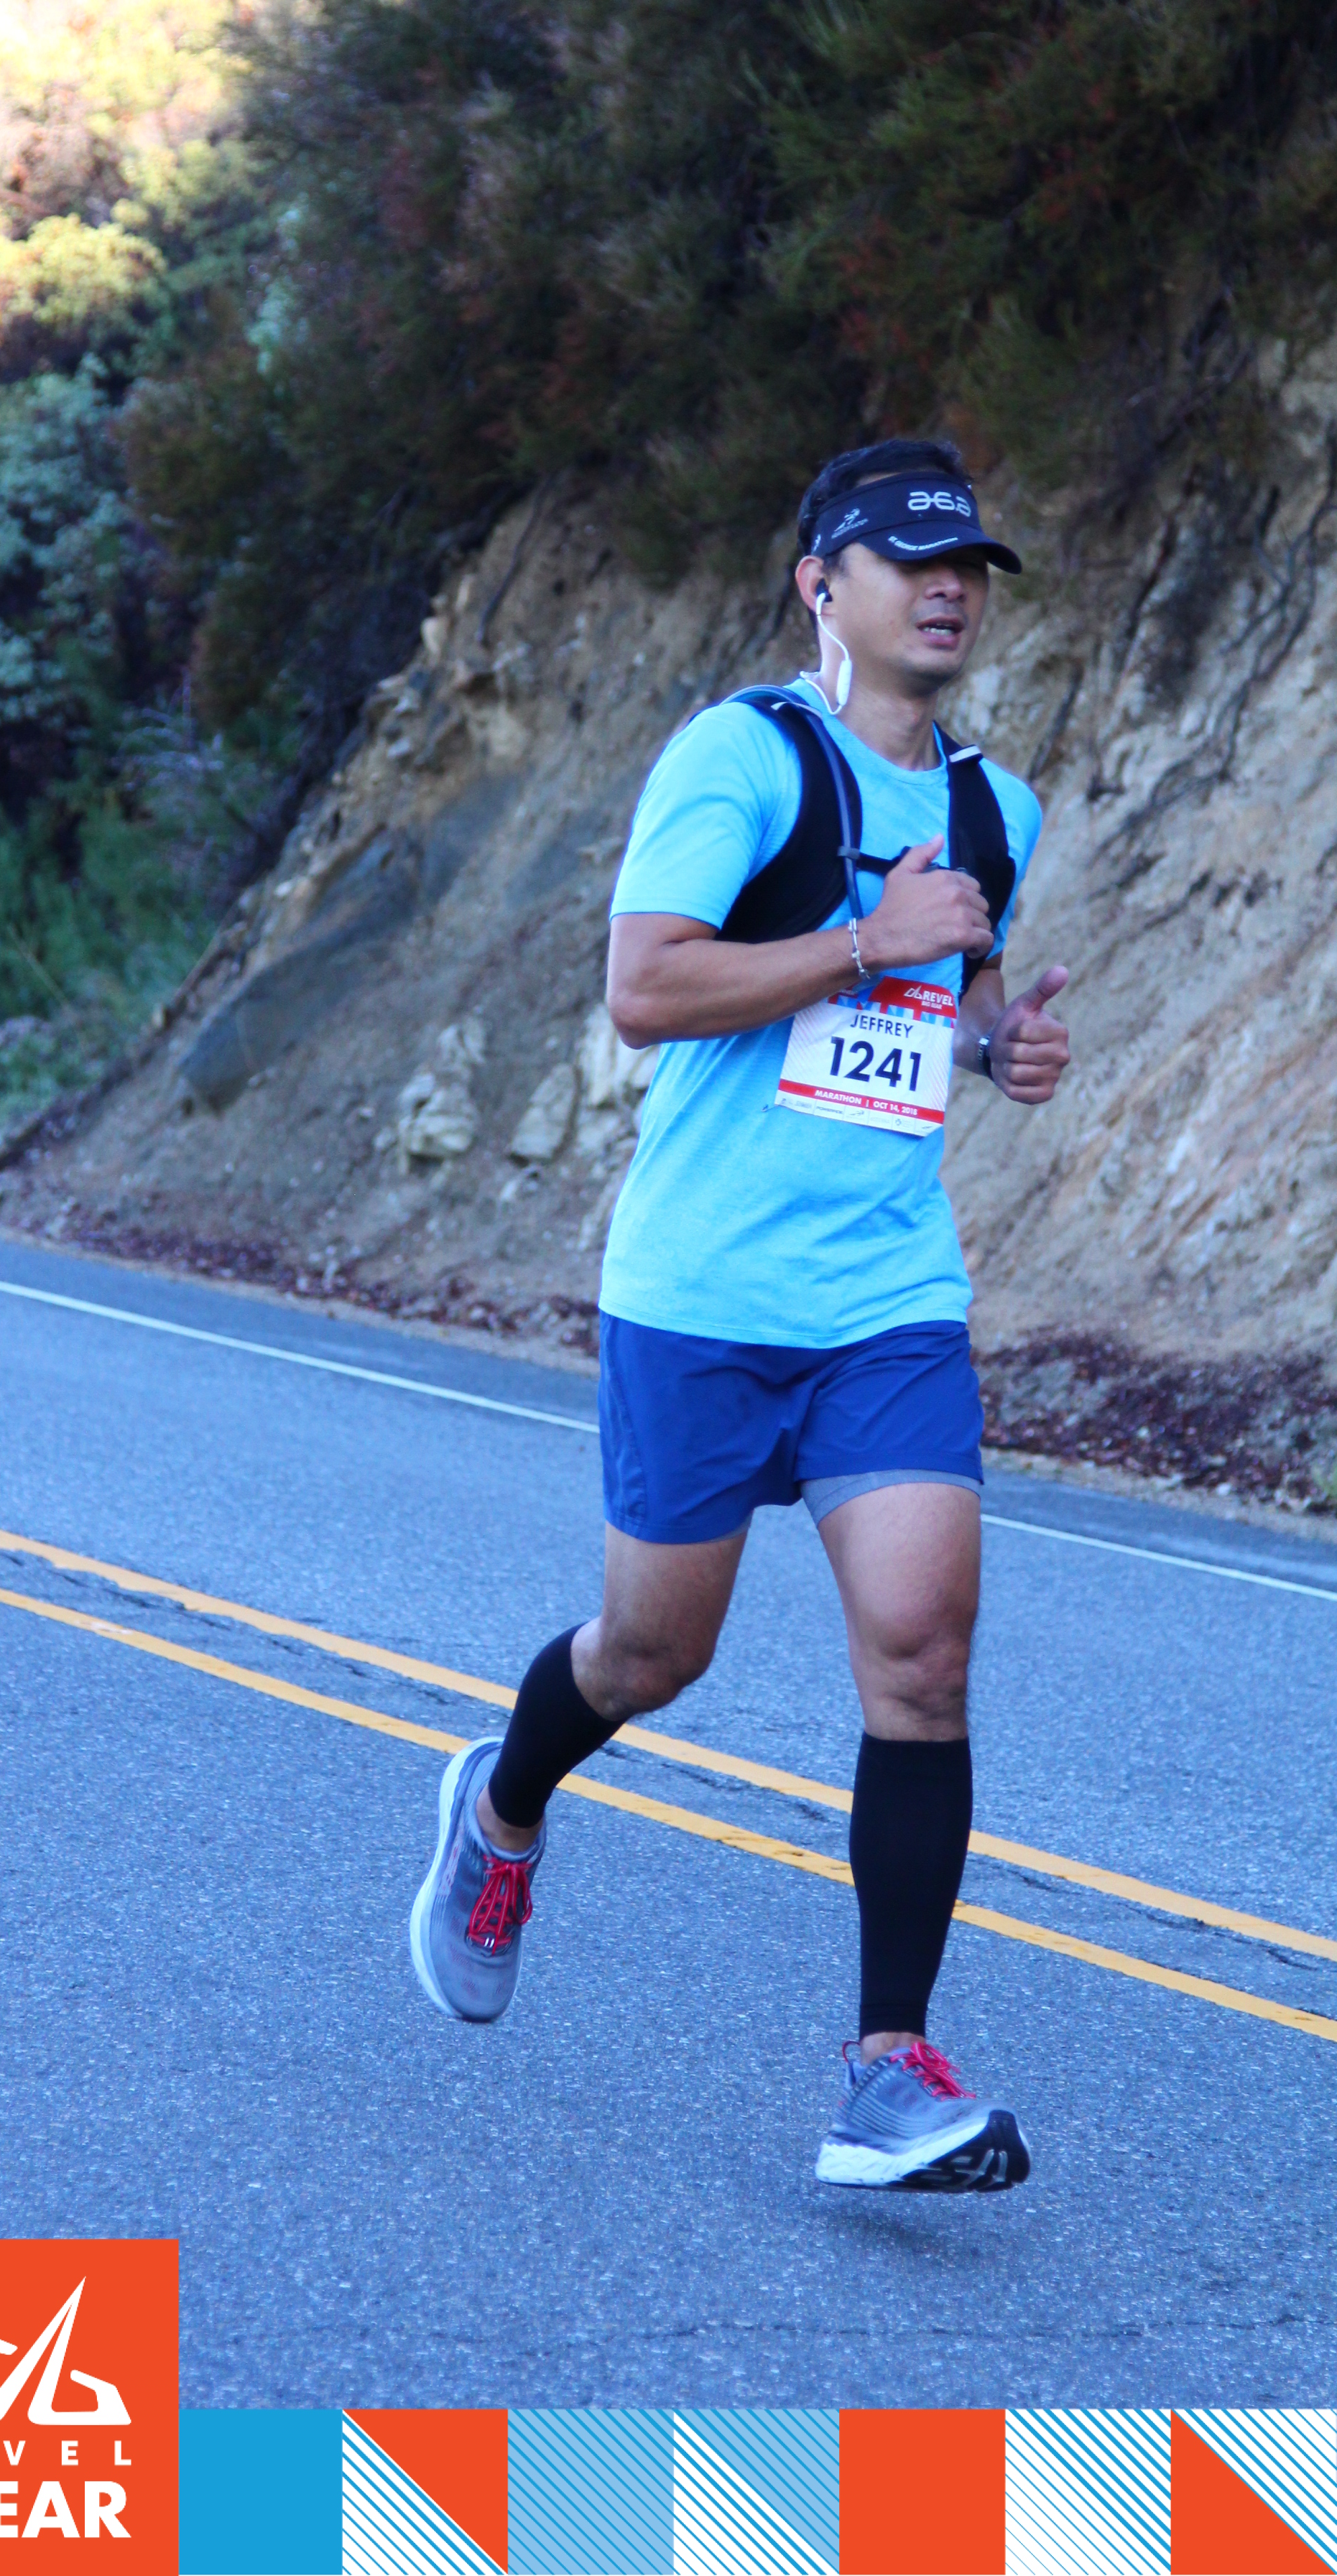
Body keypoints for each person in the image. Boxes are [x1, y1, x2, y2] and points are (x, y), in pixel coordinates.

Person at [409, 436, 1071, 2191]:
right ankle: (503, 1804)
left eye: (969, 565)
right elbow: (645, 985)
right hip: (702, 1296)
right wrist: (867, 942)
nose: (949, 588)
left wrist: (1001, 1043)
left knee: (923, 1651)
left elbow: (955, 996)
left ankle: (888, 2068)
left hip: (886, 1296)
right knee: (652, 1654)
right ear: (820, 586)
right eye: (910, 561)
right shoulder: (744, 757)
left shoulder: (996, 809)